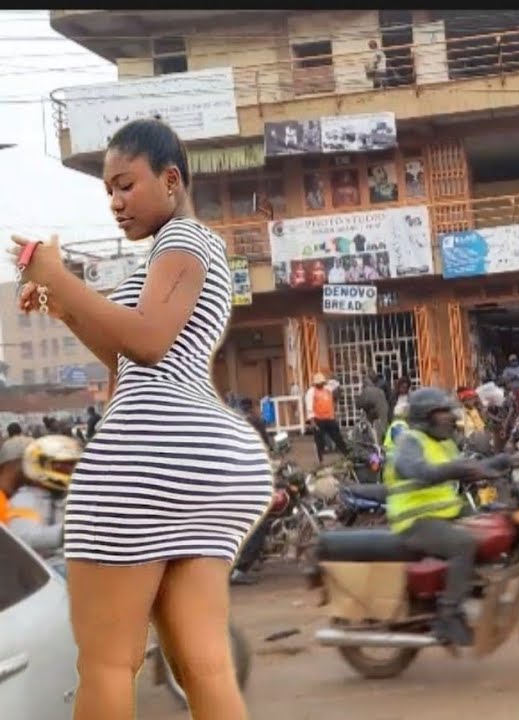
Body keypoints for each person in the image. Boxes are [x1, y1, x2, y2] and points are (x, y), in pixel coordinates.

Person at [10, 117, 271, 718]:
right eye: (108, 191)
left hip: (147, 455)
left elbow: (149, 343)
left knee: (106, 662)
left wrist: (57, 277)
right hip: (204, 464)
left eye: (125, 185)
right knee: (202, 662)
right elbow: (127, 355)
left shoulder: (183, 241)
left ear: (171, 179)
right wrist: (60, 299)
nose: (115, 203)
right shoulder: (173, 253)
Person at [385, 388, 497, 647]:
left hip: (443, 514)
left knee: (491, 527)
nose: (449, 417)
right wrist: (455, 469)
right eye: (442, 412)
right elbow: (416, 470)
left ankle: (471, 589)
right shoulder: (409, 441)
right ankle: (447, 615)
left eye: (448, 411)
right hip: (414, 521)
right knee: (463, 545)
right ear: (426, 416)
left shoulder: (444, 443)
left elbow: (467, 466)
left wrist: (505, 462)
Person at [305, 371, 349, 462]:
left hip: (329, 418)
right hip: (318, 420)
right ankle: (320, 459)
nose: (321, 384)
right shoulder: (311, 392)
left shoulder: (327, 389)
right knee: (319, 441)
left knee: (338, 437)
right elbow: (309, 408)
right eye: (319, 383)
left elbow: (336, 387)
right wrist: (312, 422)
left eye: (322, 382)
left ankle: (347, 454)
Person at [358, 370, 390, 442]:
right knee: (381, 427)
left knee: (371, 428)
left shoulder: (367, 391)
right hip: (380, 410)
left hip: (374, 412)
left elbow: (359, 404)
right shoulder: (379, 389)